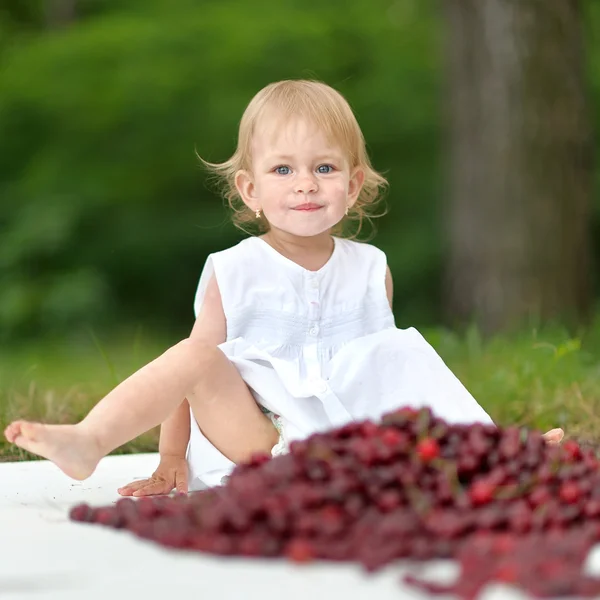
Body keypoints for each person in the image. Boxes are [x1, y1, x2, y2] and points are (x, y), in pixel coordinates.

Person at [4, 80, 564, 495]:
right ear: (249, 189)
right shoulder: (235, 269)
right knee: (197, 354)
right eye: (283, 171)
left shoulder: (371, 268)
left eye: (324, 169)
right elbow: (188, 375)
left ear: (354, 183)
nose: (305, 185)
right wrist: (171, 454)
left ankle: (493, 453)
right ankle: (89, 440)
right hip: (260, 441)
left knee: (399, 357)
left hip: (352, 442)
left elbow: (396, 380)